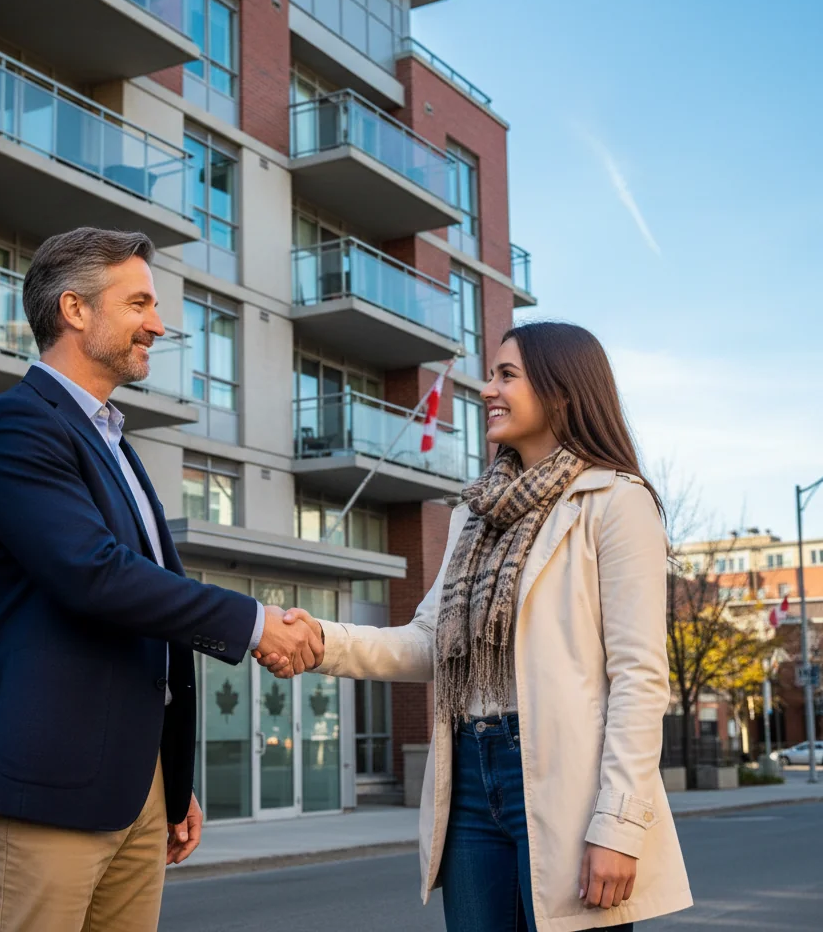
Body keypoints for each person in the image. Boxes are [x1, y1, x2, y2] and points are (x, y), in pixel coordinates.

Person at [0, 227, 322, 932]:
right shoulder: (14, 426)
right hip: (47, 786)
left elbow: (145, 618)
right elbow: (96, 576)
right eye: (139, 302)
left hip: (135, 789)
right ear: (76, 310)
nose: (159, 323)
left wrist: (168, 781)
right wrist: (255, 623)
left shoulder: (115, 442)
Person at [257, 322, 692, 932]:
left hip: (562, 777)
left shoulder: (616, 502)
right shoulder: (475, 513)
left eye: (506, 375)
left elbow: (640, 680)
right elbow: (431, 642)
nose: (487, 389)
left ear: (562, 390)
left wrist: (620, 826)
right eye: (491, 374)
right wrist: (320, 641)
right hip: (465, 770)